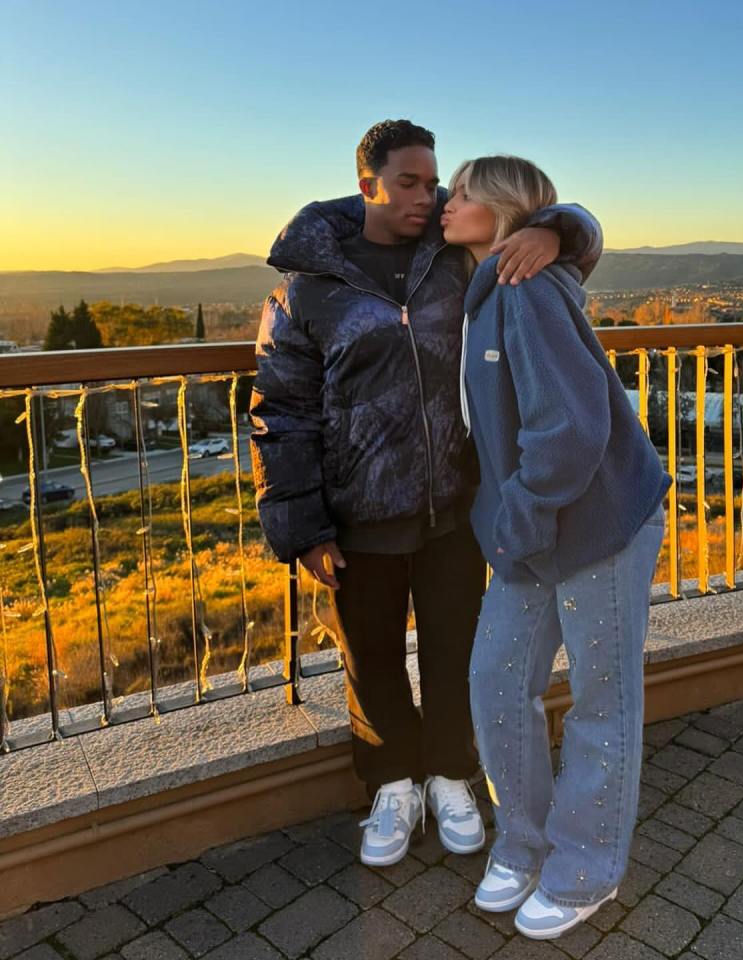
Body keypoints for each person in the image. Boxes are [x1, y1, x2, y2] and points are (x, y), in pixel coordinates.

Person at [250, 121, 602, 868]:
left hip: (456, 505)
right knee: (370, 653)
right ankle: (392, 785)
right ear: (367, 182)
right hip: (359, 512)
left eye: (432, 180)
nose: (428, 195)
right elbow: (282, 412)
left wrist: (558, 229)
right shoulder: (309, 288)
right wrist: (304, 525)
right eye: (408, 182)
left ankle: (450, 775)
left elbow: (569, 229)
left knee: (456, 651)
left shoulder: (451, 254)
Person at [443, 155, 670, 938]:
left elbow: (571, 430)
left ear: (503, 208)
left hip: (599, 522)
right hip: (536, 529)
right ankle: (524, 842)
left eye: (464, 191)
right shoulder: (487, 280)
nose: (447, 201)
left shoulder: (526, 288)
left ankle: (586, 867)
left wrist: (519, 522)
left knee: (603, 702)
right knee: (497, 685)